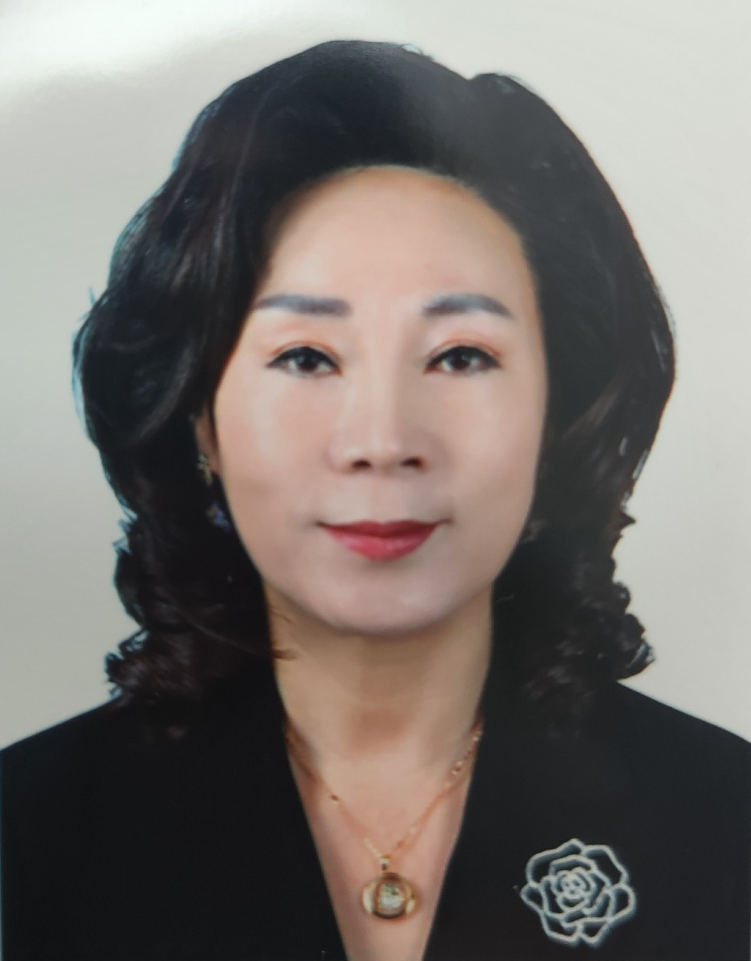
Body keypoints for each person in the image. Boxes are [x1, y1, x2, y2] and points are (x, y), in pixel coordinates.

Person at [1, 38, 749, 961]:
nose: (384, 440)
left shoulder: (726, 823)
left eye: (460, 356)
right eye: (305, 357)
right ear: (200, 419)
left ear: (555, 413)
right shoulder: (28, 835)